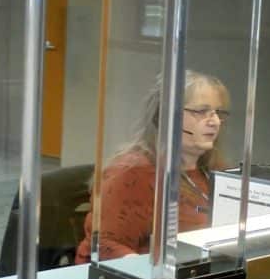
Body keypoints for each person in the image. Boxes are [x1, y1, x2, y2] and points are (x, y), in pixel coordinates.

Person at [74, 70, 230, 263]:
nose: (214, 122)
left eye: (218, 113)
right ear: (164, 117)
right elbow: (107, 247)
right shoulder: (132, 174)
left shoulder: (215, 170)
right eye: (201, 111)